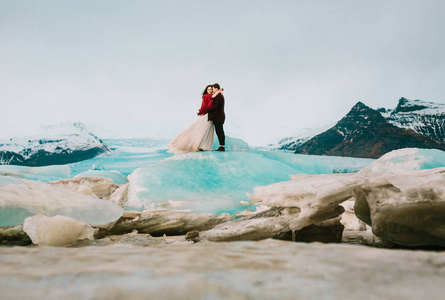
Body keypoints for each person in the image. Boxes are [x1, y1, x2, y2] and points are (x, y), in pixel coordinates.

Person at [167, 85, 223, 154]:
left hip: (210, 115)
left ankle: (204, 146)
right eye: (208, 89)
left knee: (208, 131)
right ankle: (197, 145)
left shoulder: (212, 95)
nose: (210, 90)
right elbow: (213, 97)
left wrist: (219, 93)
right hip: (206, 115)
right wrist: (219, 91)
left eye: (211, 89)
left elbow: (215, 98)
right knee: (203, 130)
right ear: (206, 90)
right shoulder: (206, 95)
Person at [208, 83, 226, 152]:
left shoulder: (218, 96)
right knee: (219, 130)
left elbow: (216, 106)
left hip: (218, 116)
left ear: (216, 88)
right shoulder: (219, 95)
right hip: (218, 116)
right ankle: (222, 146)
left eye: (213, 89)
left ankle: (222, 146)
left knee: (219, 131)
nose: (212, 91)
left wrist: (208, 110)